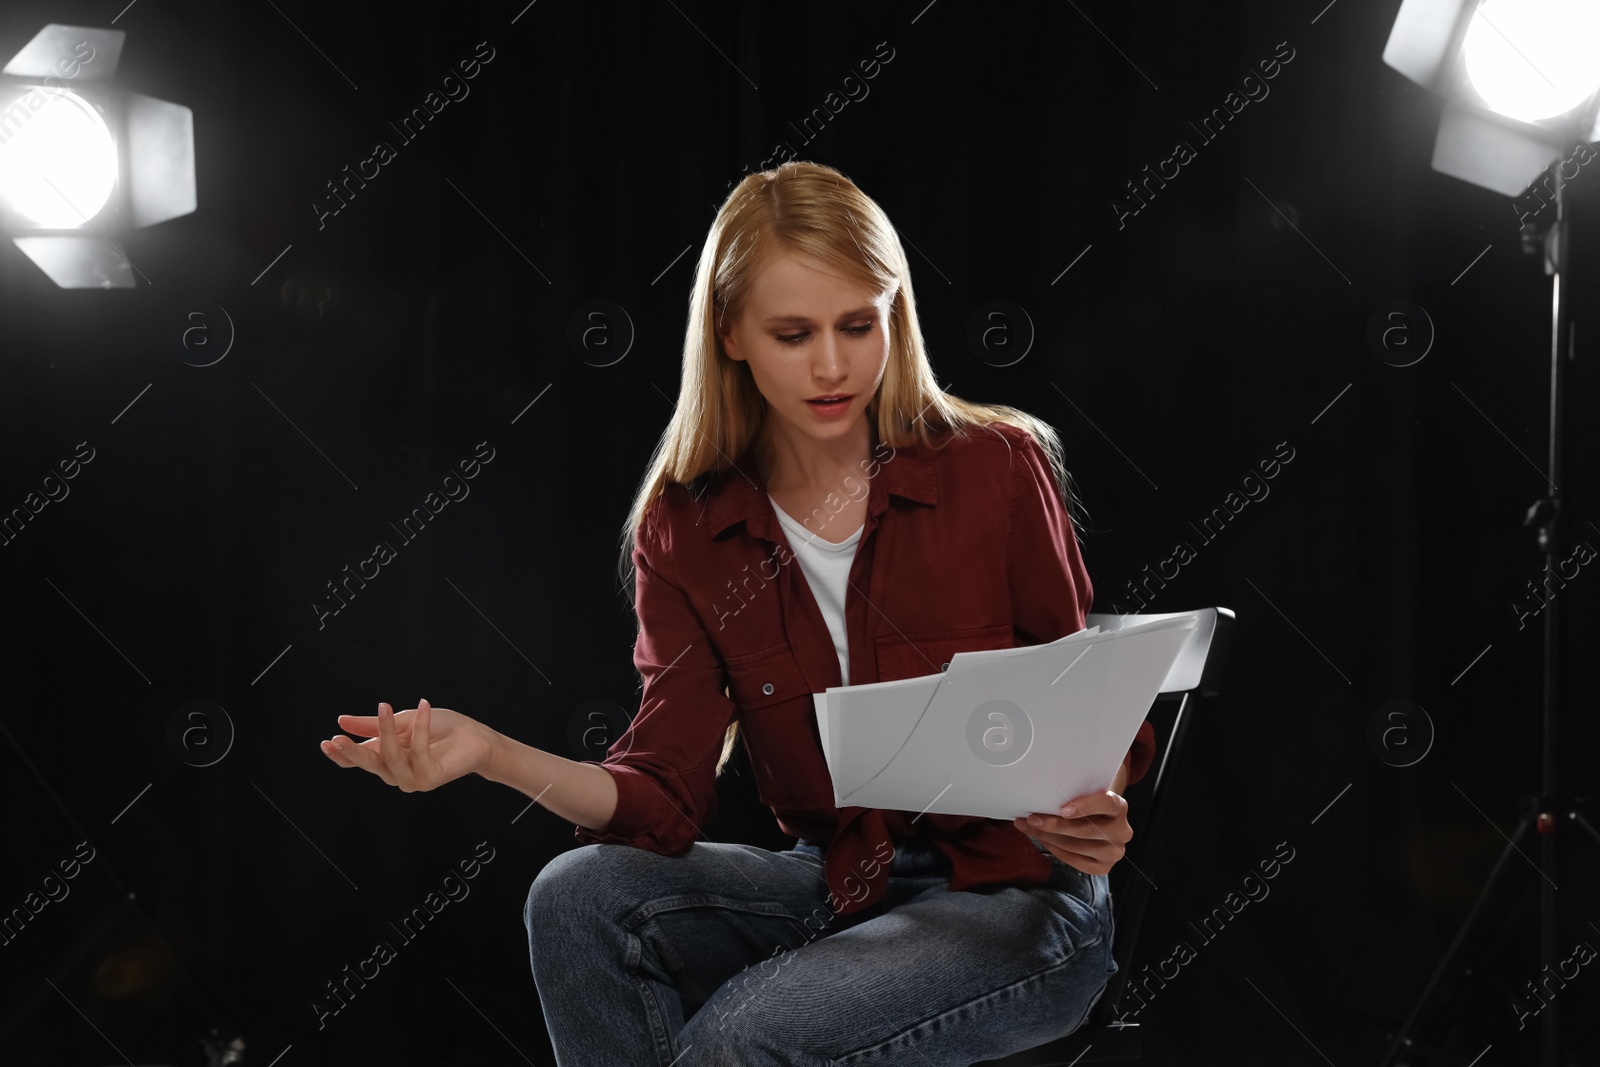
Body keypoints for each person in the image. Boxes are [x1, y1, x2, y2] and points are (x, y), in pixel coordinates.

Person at [319, 160, 1156, 1066]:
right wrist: (491, 754)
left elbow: (1080, 701)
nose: (833, 366)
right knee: (574, 896)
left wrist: (1095, 804)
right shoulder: (685, 528)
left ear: (895, 316)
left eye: (858, 325)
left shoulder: (995, 465)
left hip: (1021, 900)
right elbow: (662, 797)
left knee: (743, 1036)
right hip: (837, 886)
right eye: (793, 334)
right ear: (729, 334)